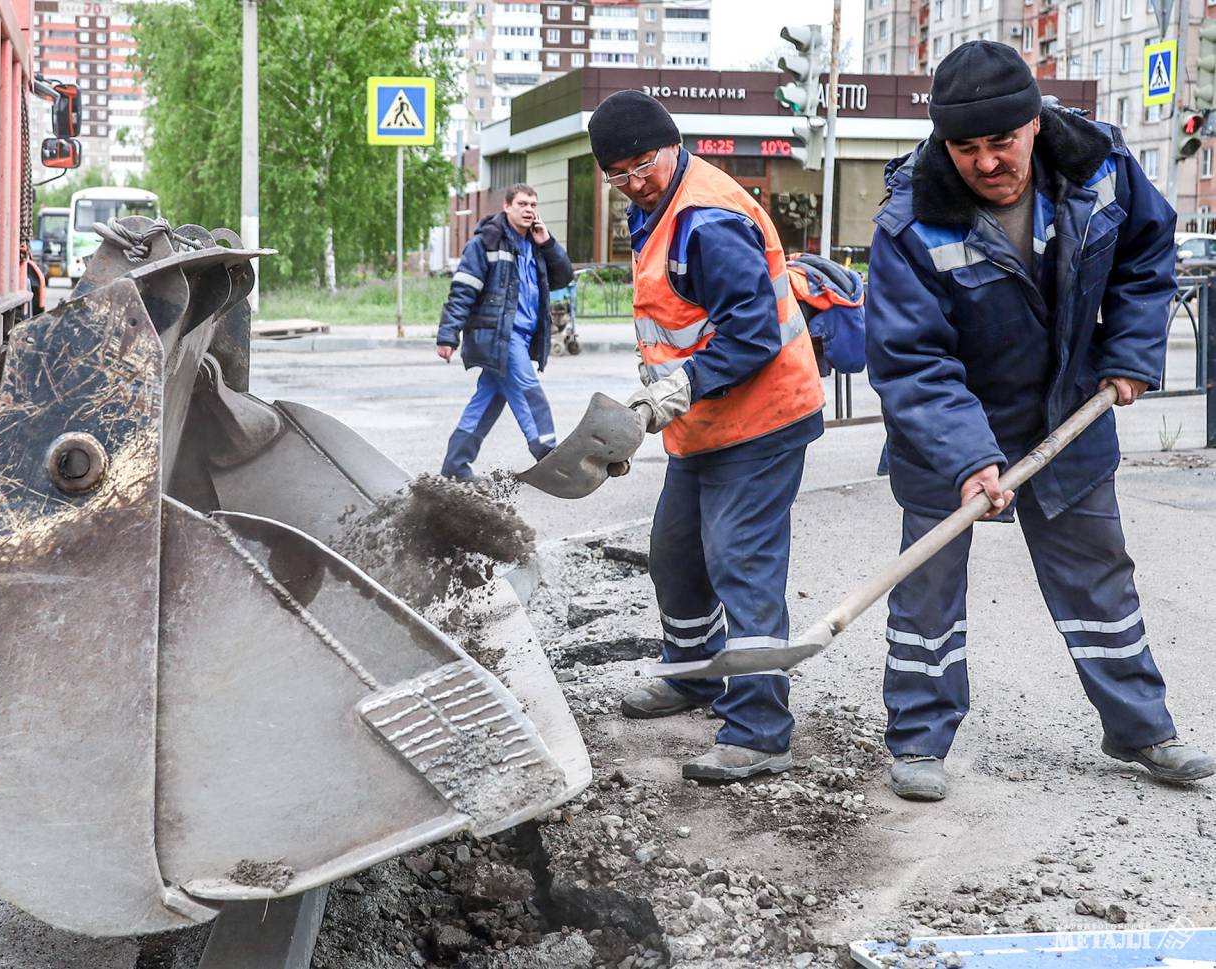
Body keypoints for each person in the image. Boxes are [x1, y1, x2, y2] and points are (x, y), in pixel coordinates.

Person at [865, 40, 1215, 801]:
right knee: (927, 590)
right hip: (946, 429)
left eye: (1002, 142)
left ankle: (1140, 728)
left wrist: (1126, 351)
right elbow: (911, 363)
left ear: (1033, 123)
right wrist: (966, 456)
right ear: (941, 143)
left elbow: (1145, 256)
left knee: (1097, 577)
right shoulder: (909, 224)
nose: (987, 163)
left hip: (1070, 409)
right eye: (966, 148)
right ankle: (919, 740)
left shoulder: (1098, 167)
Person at [587, 90, 825, 782]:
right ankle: (693, 674)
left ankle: (759, 731)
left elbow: (750, 332)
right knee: (676, 554)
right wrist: (657, 397)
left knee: (740, 563)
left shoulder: (706, 219)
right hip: (704, 423)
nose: (636, 181)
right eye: (619, 174)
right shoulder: (652, 209)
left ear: (672, 145)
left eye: (644, 163)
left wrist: (679, 386)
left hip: (764, 420)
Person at [437, 185, 574, 480]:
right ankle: (550, 457)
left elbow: (564, 276)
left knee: (487, 401)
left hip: (524, 338)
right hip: (500, 335)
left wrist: (548, 243)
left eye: (533, 204)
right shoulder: (487, 241)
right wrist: (448, 334)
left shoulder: (536, 244)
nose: (528, 209)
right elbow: (463, 290)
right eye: (522, 203)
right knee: (528, 389)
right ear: (507, 206)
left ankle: (455, 466)